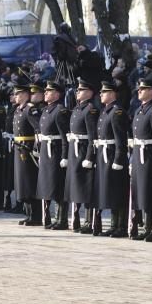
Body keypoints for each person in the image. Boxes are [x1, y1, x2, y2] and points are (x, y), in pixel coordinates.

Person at [129, 79, 152, 241]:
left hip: (150, 155)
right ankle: (146, 226)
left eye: (143, 89)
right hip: (138, 155)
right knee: (141, 192)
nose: (139, 91)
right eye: (139, 89)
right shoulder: (139, 110)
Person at [94, 81, 130, 237]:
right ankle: (114, 224)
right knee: (110, 190)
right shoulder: (106, 111)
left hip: (113, 155)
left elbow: (120, 139)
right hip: (104, 154)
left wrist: (118, 159)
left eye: (104, 92)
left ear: (113, 94)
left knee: (118, 191)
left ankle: (121, 226)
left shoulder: (117, 112)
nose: (101, 94)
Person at [65, 79, 100, 234]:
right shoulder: (78, 108)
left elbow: (93, 136)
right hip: (74, 149)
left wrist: (89, 157)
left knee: (86, 186)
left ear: (90, 92)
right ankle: (76, 217)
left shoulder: (90, 109)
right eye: (77, 90)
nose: (77, 92)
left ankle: (89, 220)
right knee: (76, 186)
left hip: (84, 150)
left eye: (81, 90)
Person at [37, 82, 71, 229]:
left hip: (56, 152)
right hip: (46, 151)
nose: (45, 93)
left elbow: (64, 137)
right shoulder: (46, 110)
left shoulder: (60, 110)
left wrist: (64, 156)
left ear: (57, 94)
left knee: (58, 185)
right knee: (47, 185)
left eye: (49, 91)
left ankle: (61, 219)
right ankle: (49, 218)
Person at [13, 84, 42, 226]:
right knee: (22, 183)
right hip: (19, 148)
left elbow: (38, 130)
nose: (15, 97)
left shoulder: (30, 110)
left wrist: (36, 148)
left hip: (28, 149)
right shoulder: (18, 110)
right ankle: (28, 213)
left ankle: (36, 216)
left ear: (25, 95)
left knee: (30, 181)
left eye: (18, 94)